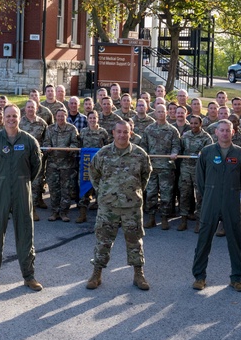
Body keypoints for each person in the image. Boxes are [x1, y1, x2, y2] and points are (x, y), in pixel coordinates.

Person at [0, 105, 43, 292]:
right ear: (2, 117)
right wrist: (1, 180)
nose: (11, 119)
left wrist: (22, 180)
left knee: (25, 233)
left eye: (15, 116)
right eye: (8, 116)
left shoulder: (30, 141)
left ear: (20, 118)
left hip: (22, 190)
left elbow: (36, 166)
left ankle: (29, 276)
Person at [87, 120, 153, 291]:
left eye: (126, 132)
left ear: (131, 133)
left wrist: (133, 193)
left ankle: (139, 274)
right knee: (103, 240)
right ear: (113, 133)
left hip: (131, 207)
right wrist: (103, 191)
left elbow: (145, 175)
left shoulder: (139, 154)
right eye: (119, 132)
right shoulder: (103, 154)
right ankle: (96, 274)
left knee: (135, 241)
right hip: (108, 206)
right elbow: (93, 173)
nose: (123, 135)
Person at [192, 119, 241, 292]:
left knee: (235, 240)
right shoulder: (207, 152)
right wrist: (210, 192)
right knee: (204, 239)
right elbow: (200, 179)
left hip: (232, 200)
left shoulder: (240, 154)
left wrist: (230, 191)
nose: (224, 133)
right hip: (211, 200)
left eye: (228, 130)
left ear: (233, 132)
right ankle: (199, 277)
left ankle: (237, 278)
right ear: (216, 132)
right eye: (221, 130)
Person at [141, 106, 181, 229]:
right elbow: (143, 146)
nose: (161, 113)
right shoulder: (149, 129)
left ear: (167, 113)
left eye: (163, 111)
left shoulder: (172, 130)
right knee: (151, 193)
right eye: (158, 111)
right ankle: (151, 218)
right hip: (152, 167)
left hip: (166, 167)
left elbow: (176, 145)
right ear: (155, 113)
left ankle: (164, 218)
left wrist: (174, 153)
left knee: (166, 194)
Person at [42, 108, 80, 222]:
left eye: (62, 116)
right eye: (58, 116)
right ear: (55, 116)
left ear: (66, 116)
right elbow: (46, 142)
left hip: (67, 165)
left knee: (66, 190)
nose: (60, 118)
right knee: (54, 189)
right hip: (53, 164)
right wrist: (47, 148)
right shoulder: (50, 129)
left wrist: (71, 149)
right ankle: (54, 212)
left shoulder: (71, 129)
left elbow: (76, 143)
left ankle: (64, 213)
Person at [178, 114, 212, 232]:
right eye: (191, 123)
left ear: (200, 124)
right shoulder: (185, 136)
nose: (193, 126)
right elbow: (179, 149)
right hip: (185, 169)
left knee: (200, 196)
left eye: (195, 123)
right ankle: (183, 219)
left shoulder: (206, 138)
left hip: (199, 170)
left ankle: (199, 221)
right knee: (184, 194)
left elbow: (209, 155)